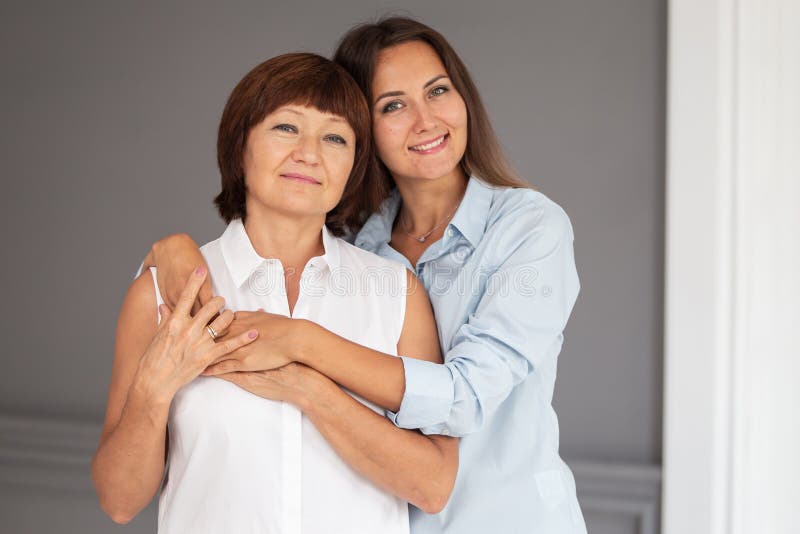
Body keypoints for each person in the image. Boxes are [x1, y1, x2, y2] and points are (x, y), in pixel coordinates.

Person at [146, 16, 587, 534]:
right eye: (393, 105)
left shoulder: (530, 228)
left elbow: (464, 398)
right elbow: (228, 261)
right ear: (360, 129)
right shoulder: (360, 247)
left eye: (438, 91)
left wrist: (300, 343)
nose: (425, 120)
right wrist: (170, 250)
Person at [91, 52, 459, 534]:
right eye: (286, 128)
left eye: (334, 137)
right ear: (239, 146)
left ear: (353, 165)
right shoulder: (164, 292)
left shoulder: (396, 292)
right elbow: (119, 502)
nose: (309, 153)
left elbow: (431, 487)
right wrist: (154, 387)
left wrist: (305, 386)